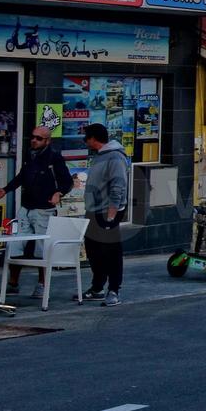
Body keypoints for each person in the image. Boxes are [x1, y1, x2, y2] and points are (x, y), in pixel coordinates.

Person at [0, 125, 73, 298]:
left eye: (38, 138)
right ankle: (13, 283)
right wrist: (5, 190)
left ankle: (42, 284)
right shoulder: (30, 154)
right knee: (15, 243)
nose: (34, 140)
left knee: (42, 248)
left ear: (47, 140)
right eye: (33, 137)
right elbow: (22, 176)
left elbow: (67, 181)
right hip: (26, 207)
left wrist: (59, 193)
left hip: (43, 209)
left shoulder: (54, 158)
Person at [79, 123, 128, 307]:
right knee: (93, 250)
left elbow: (118, 185)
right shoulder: (99, 157)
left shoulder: (115, 157)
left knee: (111, 251)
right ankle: (97, 287)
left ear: (93, 138)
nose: (85, 142)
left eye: (87, 139)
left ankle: (114, 290)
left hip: (107, 211)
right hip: (93, 210)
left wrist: (111, 214)